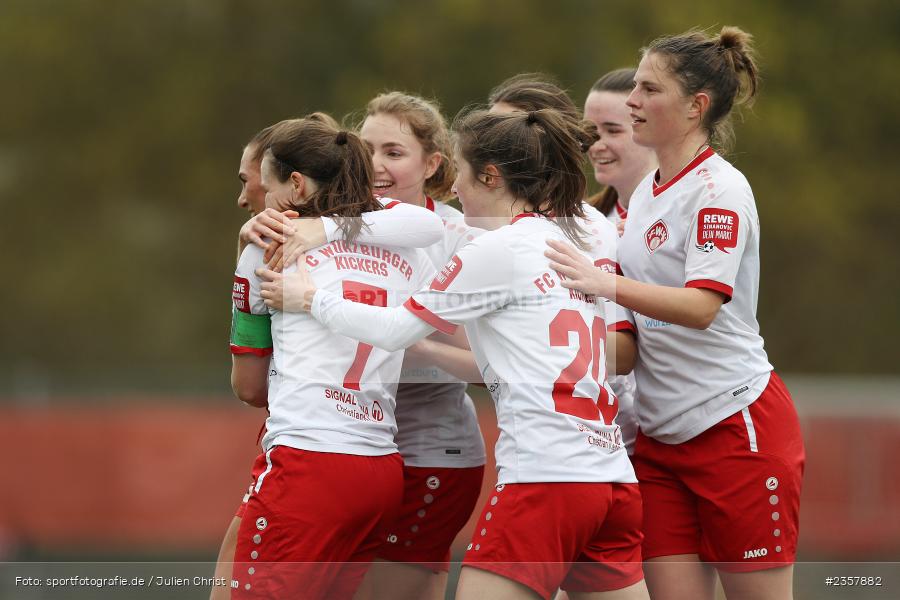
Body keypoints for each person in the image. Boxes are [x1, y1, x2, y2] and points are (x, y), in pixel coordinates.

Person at [266, 108, 649, 600]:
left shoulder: (498, 250)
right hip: (612, 479)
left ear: (489, 176)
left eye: (463, 176)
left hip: (545, 478)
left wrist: (310, 299)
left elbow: (393, 329)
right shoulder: (568, 238)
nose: (455, 190)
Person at [545, 27, 804, 600]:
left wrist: (602, 284)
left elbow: (701, 306)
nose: (632, 99)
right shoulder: (648, 194)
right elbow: (631, 331)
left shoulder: (720, 190)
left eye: (648, 89)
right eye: (634, 85)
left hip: (733, 424)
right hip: (661, 441)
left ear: (696, 107)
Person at [228, 114, 436, 600]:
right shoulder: (401, 243)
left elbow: (249, 388)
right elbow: (425, 222)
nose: (256, 202)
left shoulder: (269, 245)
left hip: (309, 461)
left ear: (296, 184)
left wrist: (243, 286)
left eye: (268, 185)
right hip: (381, 467)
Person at [354, 91, 486, 600]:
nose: (375, 166)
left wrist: (398, 336)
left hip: (430, 450)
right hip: (359, 452)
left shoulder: (459, 233)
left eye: (393, 152)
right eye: (365, 149)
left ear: (433, 163)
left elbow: (480, 362)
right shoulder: (341, 222)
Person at [582, 68, 659, 455]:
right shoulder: (587, 222)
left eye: (612, 130)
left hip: (669, 426)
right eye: (590, 133)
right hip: (608, 435)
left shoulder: (680, 213)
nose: (597, 144)